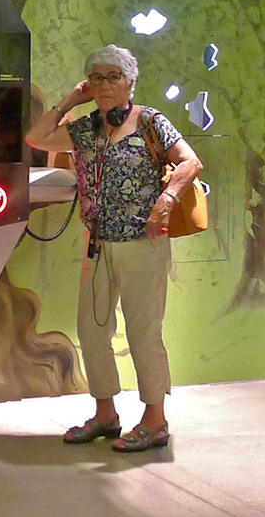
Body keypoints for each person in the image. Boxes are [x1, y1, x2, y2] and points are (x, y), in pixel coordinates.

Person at [25, 44, 202, 453]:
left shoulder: (150, 122)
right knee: (90, 331)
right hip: (98, 244)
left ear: (129, 82)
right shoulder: (85, 129)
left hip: (143, 243)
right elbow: (36, 137)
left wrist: (168, 198)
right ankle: (105, 414)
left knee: (143, 332)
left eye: (113, 77)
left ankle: (155, 421)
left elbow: (190, 162)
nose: (104, 85)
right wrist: (71, 99)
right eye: (97, 78)